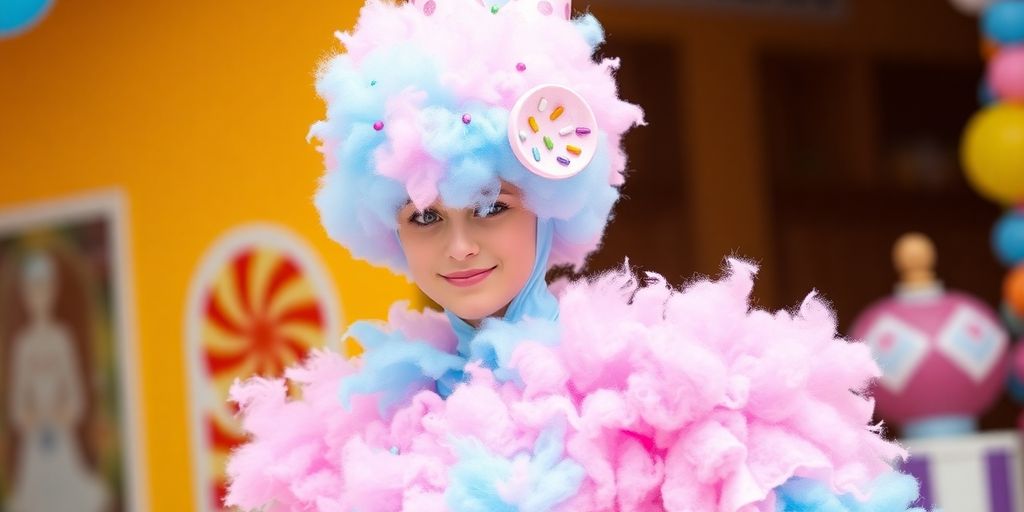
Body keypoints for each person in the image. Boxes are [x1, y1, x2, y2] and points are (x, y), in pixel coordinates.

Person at [225, 0, 923, 510]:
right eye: (427, 216)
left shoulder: (669, 394)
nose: (459, 245)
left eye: (492, 208)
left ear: (549, 198)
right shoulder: (349, 434)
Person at [7, 251, 109, 512]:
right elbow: (17, 399)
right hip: (35, 440)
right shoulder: (22, 346)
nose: (38, 297)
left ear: (52, 292)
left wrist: (63, 412)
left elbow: (75, 391)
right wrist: (29, 416)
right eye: (32, 291)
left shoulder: (62, 339)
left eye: (43, 289)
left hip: (61, 435)